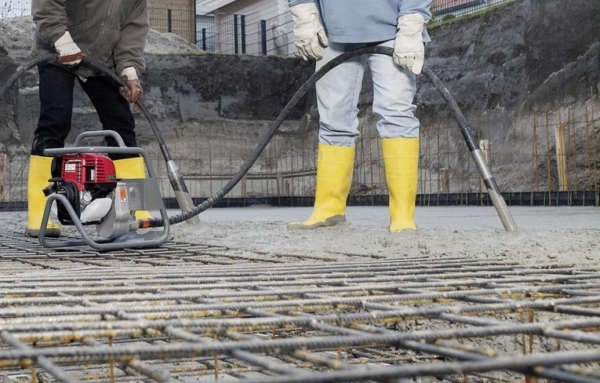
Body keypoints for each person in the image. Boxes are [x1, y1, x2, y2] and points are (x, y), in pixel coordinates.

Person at [287, 0, 431, 232]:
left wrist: (413, 17)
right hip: (332, 30)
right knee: (333, 118)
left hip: (395, 29)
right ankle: (329, 208)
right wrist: (303, 10)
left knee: (397, 115)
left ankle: (402, 215)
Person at [27, 0, 151, 238]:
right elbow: (47, 3)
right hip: (57, 49)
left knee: (122, 125)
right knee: (55, 119)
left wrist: (129, 69)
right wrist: (62, 40)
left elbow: (132, 31)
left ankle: (135, 208)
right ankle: (40, 211)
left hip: (101, 60)